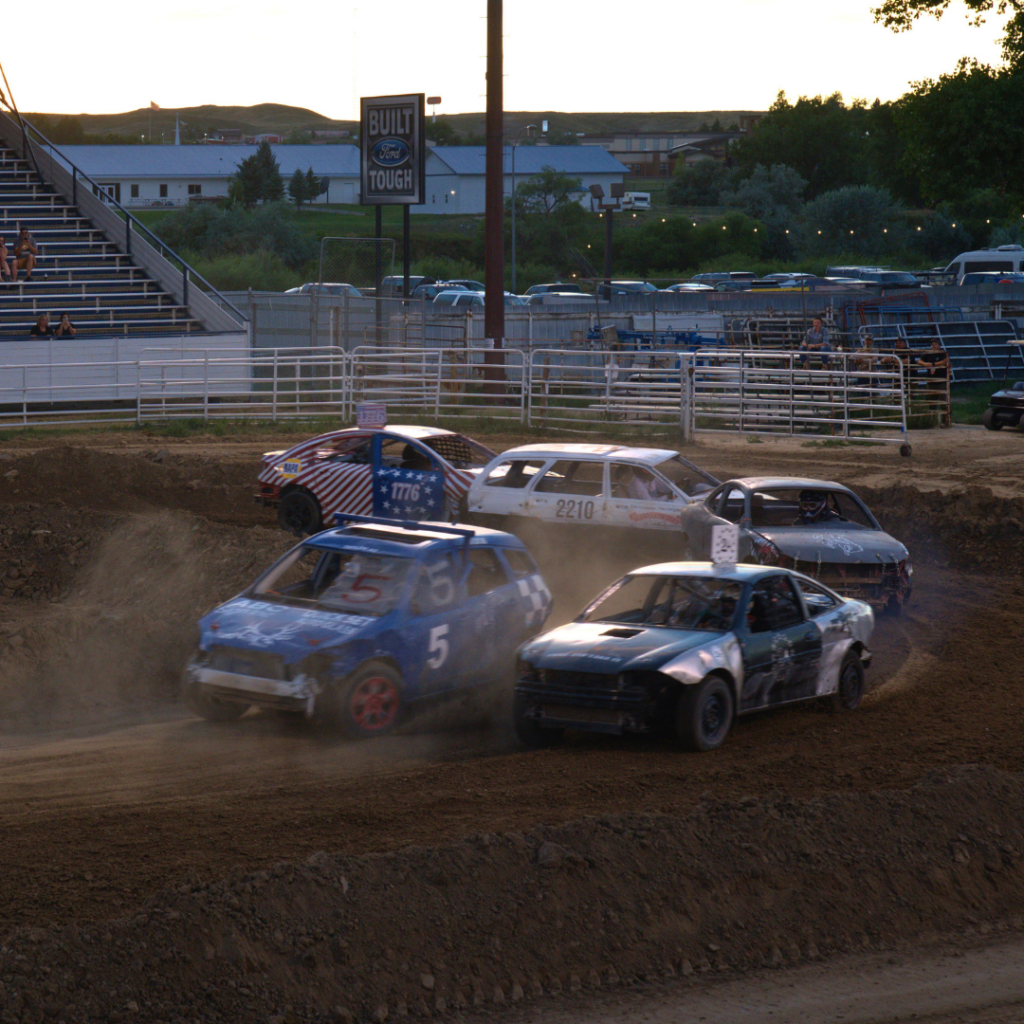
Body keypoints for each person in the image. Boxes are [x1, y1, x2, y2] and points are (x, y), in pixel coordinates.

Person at [916, 339, 951, 426]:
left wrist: (934, 364)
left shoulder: (942, 353)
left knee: (943, 403)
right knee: (931, 402)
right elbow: (919, 361)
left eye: (935, 344)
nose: (933, 346)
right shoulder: (928, 353)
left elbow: (945, 361)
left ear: (939, 346)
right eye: (932, 344)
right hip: (931, 382)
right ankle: (933, 420)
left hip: (941, 381)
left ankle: (946, 420)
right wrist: (925, 364)